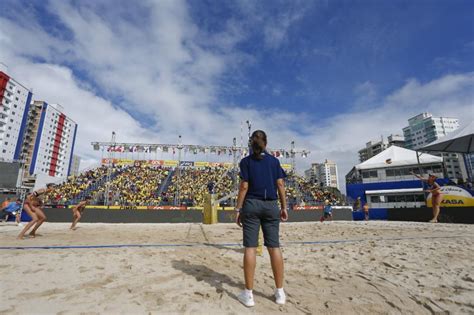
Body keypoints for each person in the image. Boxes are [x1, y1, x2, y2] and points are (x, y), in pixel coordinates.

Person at [235, 130, 288, 307]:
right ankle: (280, 292)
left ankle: (249, 295)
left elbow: (244, 186)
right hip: (271, 205)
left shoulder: (246, 162)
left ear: (251, 143)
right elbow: (280, 184)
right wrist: (284, 206)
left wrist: (238, 209)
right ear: (266, 143)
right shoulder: (274, 161)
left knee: (250, 248)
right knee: (274, 247)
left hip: (251, 204)